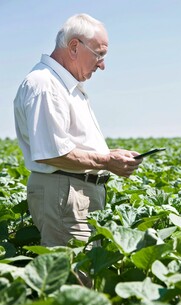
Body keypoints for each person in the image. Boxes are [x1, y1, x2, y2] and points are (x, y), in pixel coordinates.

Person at [14, 13, 143, 248]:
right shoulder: (45, 85)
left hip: (72, 193)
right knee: (75, 277)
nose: (102, 65)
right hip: (65, 194)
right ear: (74, 46)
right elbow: (52, 152)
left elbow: (67, 143)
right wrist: (106, 161)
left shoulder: (64, 85)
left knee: (83, 274)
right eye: (99, 54)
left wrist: (111, 153)